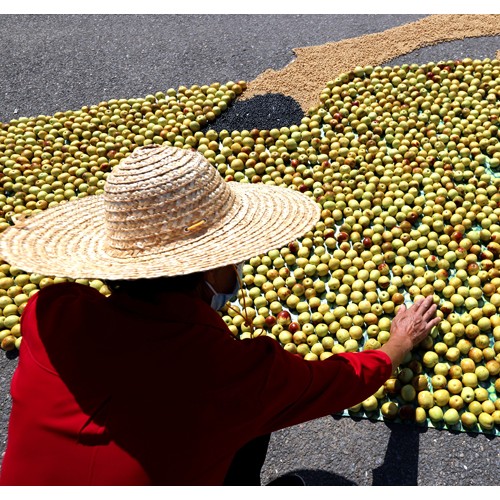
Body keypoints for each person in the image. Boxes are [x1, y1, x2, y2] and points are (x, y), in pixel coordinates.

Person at [0, 145, 440, 486]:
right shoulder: (234, 374)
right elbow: (339, 381)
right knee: (253, 418)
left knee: (245, 424)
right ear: (212, 266)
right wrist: (397, 344)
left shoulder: (49, 312)